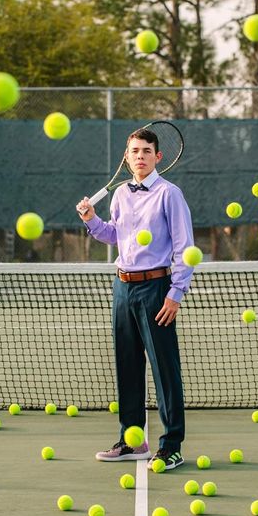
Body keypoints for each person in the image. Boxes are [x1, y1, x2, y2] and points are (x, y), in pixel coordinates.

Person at [76, 127, 194, 470]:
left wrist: (176, 293)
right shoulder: (120, 196)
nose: (139, 156)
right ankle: (133, 441)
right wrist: (91, 220)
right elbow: (116, 234)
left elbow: (185, 248)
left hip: (157, 289)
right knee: (127, 366)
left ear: (158, 157)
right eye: (134, 151)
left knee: (164, 369)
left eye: (146, 150)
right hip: (122, 288)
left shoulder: (170, 194)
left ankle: (172, 445)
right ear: (126, 158)